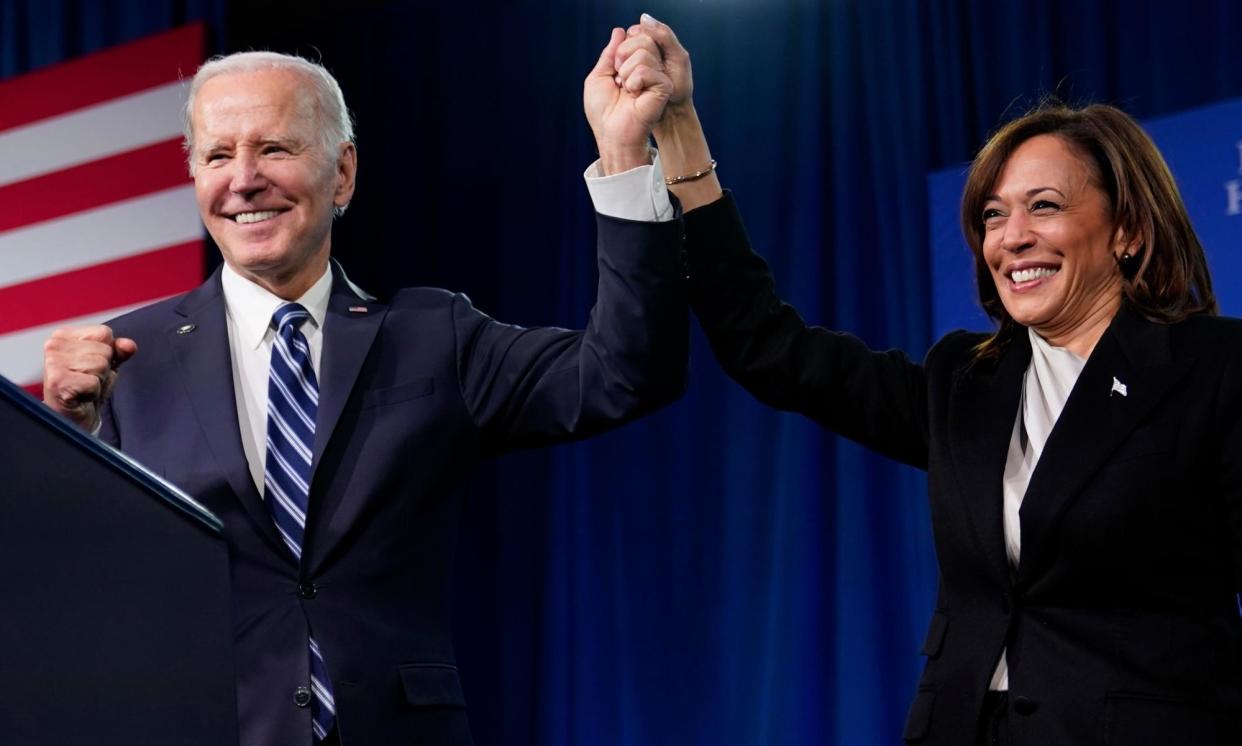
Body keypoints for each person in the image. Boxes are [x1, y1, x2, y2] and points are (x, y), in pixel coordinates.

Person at [41, 27, 687, 746]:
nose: (243, 179)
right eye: (218, 155)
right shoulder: (128, 358)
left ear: (342, 173)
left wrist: (625, 156)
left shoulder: (432, 335)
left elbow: (624, 374)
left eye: (275, 148)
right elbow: (62, 588)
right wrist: (69, 432)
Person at [621, 18, 1242, 745]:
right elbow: (769, 347)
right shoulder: (965, 380)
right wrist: (682, 132)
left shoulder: (1212, 370)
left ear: (1128, 229)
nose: (1011, 237)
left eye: (1044, 205)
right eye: (992, 215)